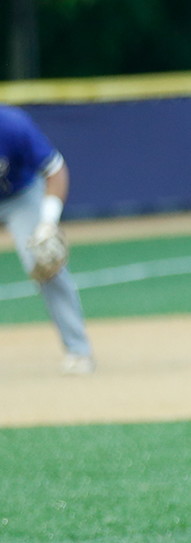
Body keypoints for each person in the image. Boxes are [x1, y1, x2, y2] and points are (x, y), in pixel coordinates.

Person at [0, 105, 94, 374]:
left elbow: (55, 171)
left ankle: (79, 351)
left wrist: (47, 224)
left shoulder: (11, 125)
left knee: (45, 261)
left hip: (21, 196)